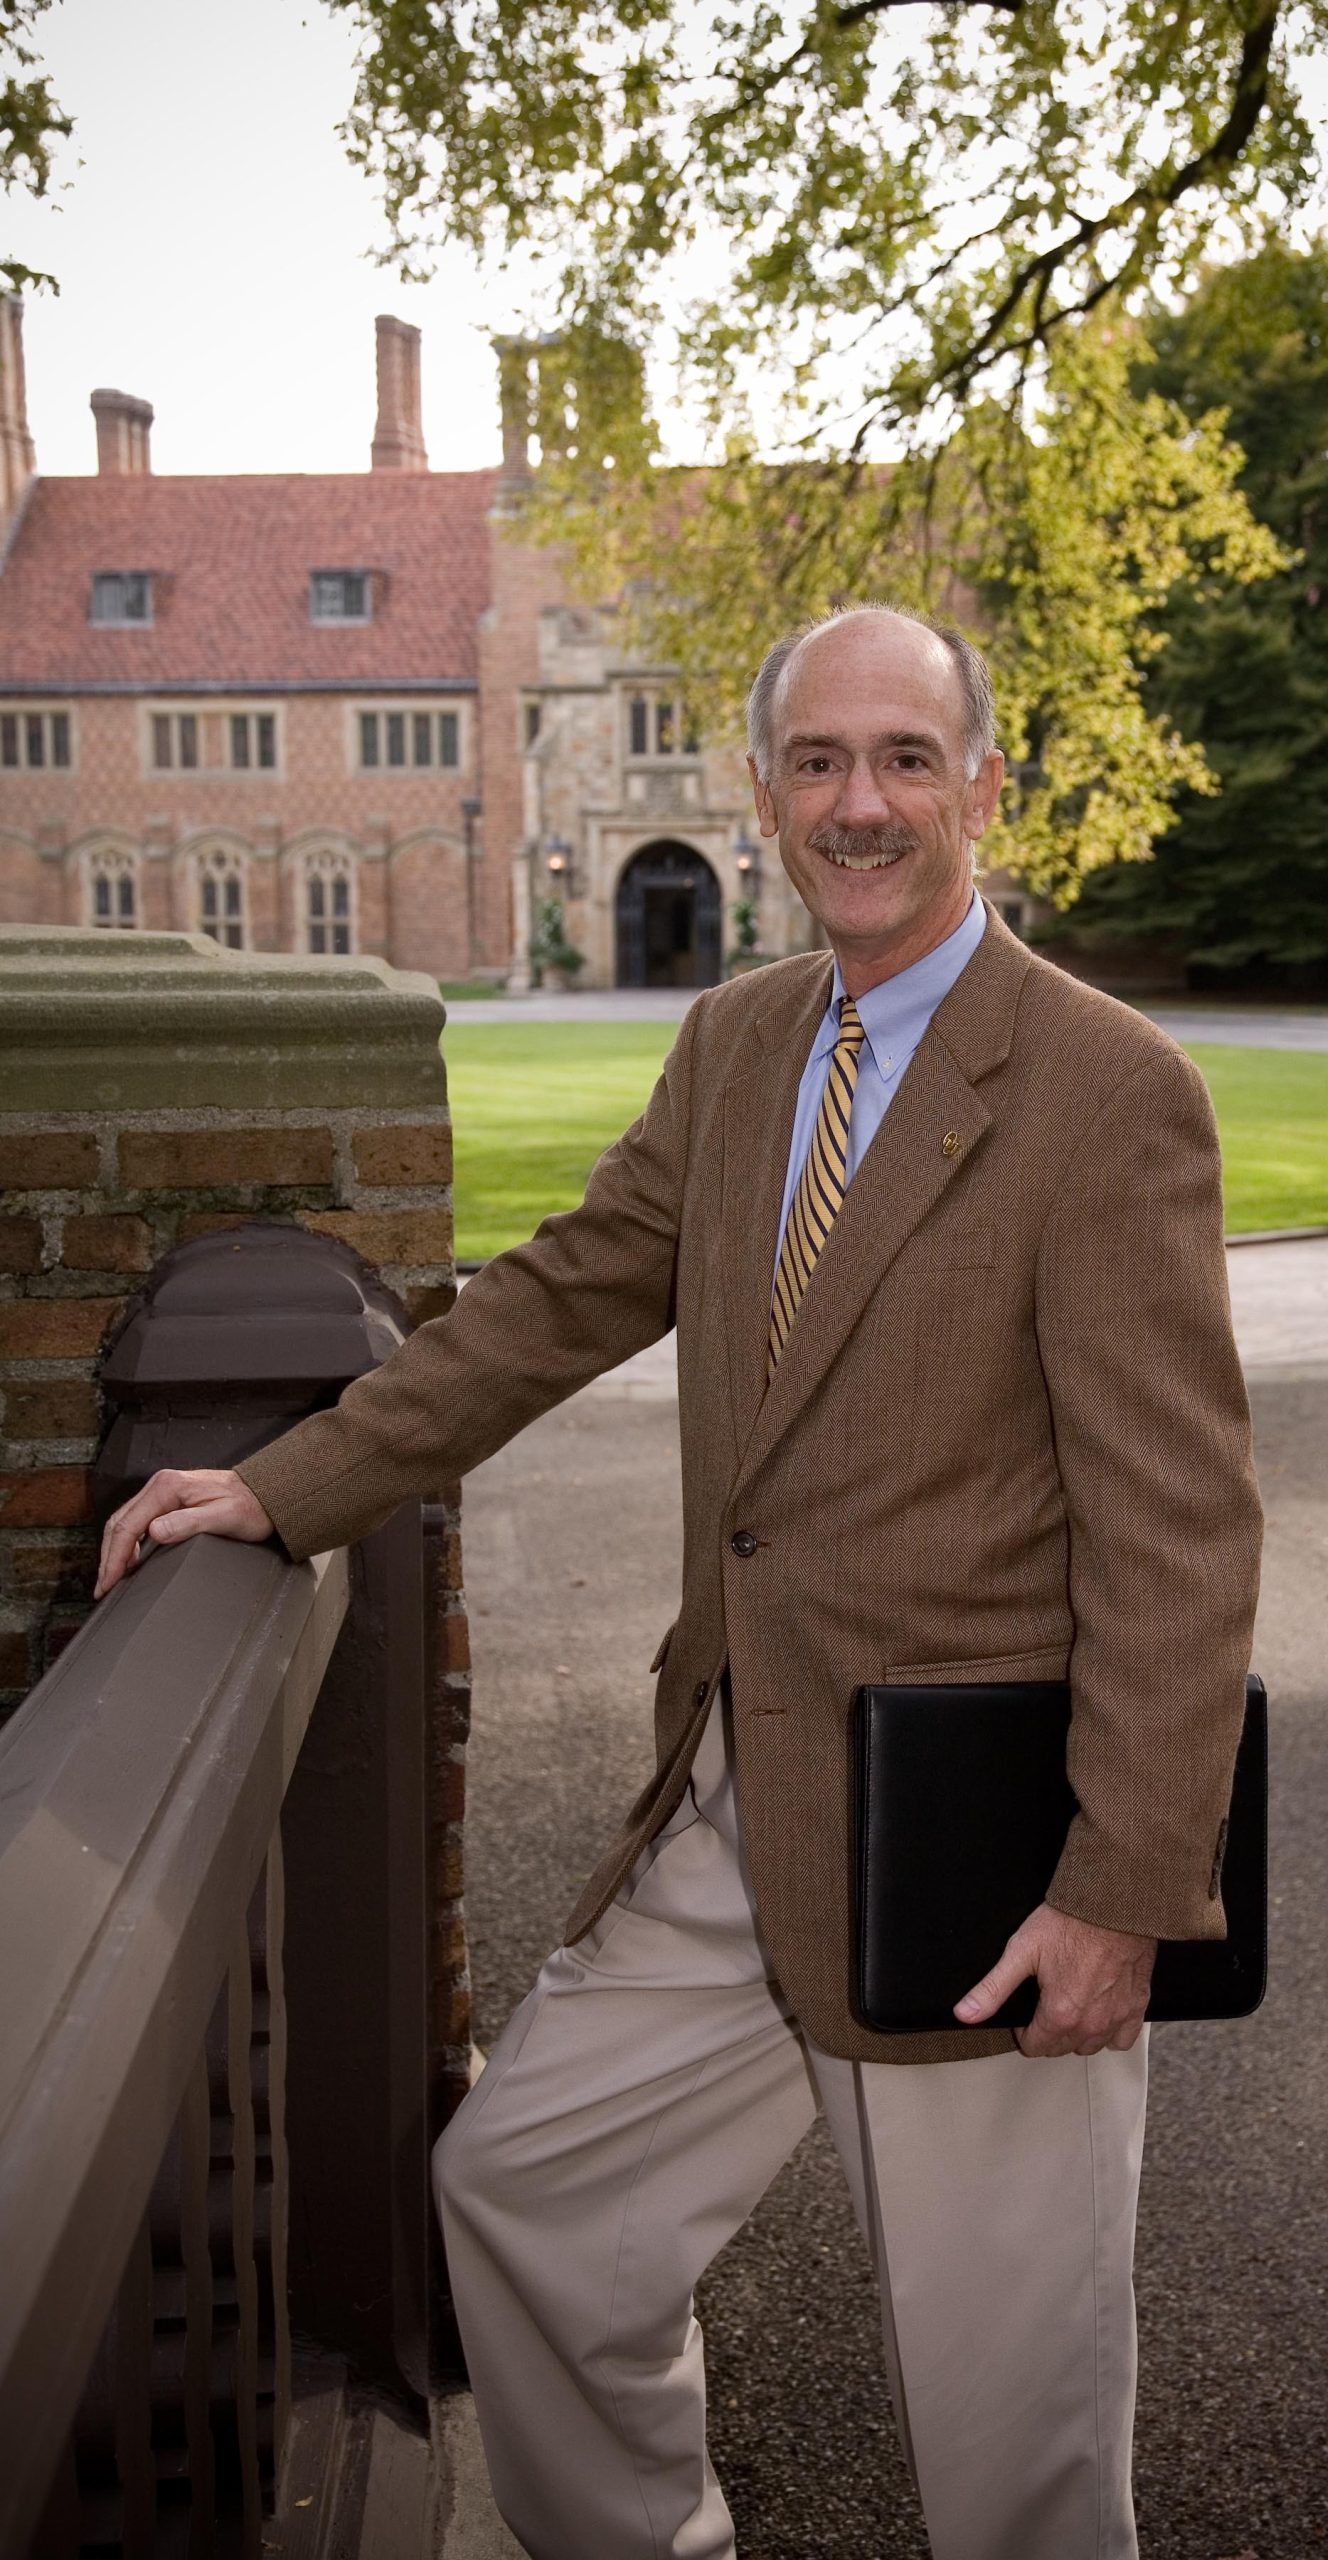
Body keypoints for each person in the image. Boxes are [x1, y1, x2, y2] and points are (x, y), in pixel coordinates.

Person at [97, 605, 1263, 2560]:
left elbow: (1178, 1521)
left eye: (904, 757)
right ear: (760, 791)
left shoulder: (1102, 1089)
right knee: (523, 2199)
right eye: (816, 761)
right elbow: (552, 1297)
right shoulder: (735, 1045)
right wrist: (287, 1484)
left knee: (1016, 2451)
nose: (859, 800)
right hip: (733, 1796)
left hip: (976, 1863)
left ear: (980, 784)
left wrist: (1120, 1887)